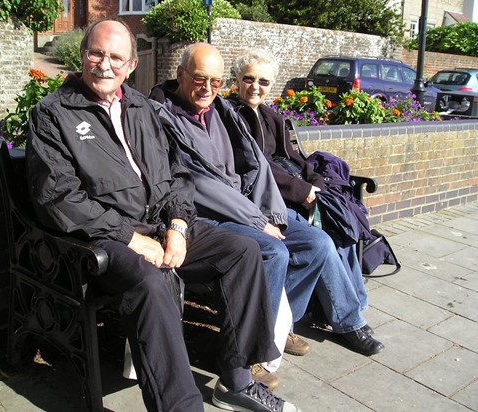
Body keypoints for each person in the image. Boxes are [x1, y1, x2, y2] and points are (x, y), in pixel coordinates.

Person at [26, 19, 299, 412]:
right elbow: (58, 197)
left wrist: (177, 225)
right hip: (101, 238)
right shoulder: (53, 114)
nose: (105, 65)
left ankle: (237, 381)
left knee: (242, 251)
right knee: (151, 282)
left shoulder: (141, 108)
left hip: (159, 225)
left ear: (132, 65)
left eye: (116, 57)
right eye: (96, 53)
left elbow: (177, 176)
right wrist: (132, 238)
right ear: (82, 55)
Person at [149, 43, 385, 370]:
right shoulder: (164, 115)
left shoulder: (223, 112)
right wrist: (260, 220)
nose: (207, 89)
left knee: (318, 243)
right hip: (208, 215)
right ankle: (255, 352)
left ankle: (281, 326)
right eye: (199, 78)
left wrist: (272, 212)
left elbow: (260, 165)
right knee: (276, 251)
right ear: (180, 75)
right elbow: (197, 182)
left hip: (249, 207)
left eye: (215, 82)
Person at [227, 48, 369, 319]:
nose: (256, 87)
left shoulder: (272, 117)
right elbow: (258, 167)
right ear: (237, 80)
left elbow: (294, 157)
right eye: (249, 79)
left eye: (264, 81)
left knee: (343, 222)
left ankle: (357, 303)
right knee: (322, 241)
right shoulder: (231, 116)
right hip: (267, 201)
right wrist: (303, 192)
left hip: (296, 192)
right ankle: (348, 319)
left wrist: (316, 184)